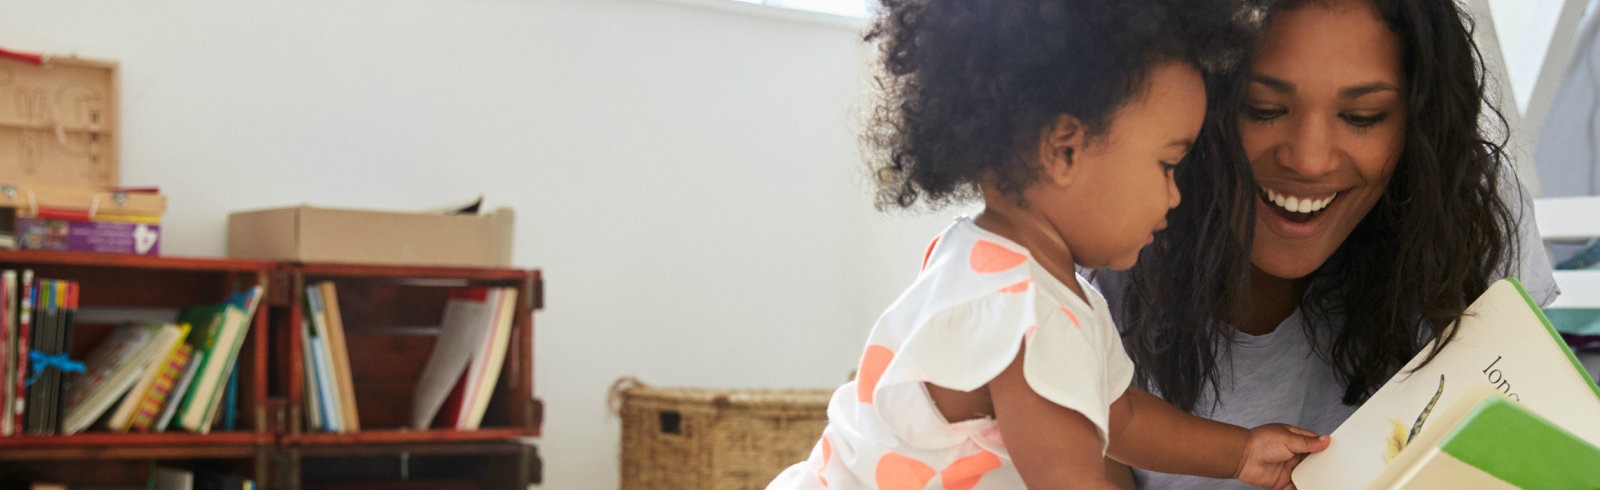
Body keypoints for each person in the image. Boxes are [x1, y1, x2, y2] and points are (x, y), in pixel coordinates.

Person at [767, 1, 1330, 489]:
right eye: (1167, 165)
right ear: (1064, 152)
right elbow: (1071, 481)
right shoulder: (1025, 311)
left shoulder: (1006, 270)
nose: (1175, 196)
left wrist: (1240, 452)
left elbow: (1121, 417)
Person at [1099, 0, 1561, 488]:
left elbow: (1532, 457)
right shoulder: (1097, 248)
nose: (1310, 159)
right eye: (1262, 109)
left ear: (1419, 121)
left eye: (1362, 116)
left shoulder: (1464, 215)